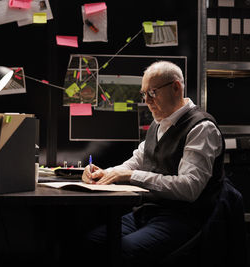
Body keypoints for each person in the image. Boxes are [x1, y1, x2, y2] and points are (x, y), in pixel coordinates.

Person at [81, 61, 225, 266]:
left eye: (153, 93)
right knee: (92, 242)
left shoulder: (201, 128)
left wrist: (131, 177)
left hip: (182, 218)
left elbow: (189, 187)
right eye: (144, 94)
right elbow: (137, 161)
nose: (147, 101)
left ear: (176, 87)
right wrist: (104, 173)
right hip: (148, 212)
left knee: (122, 252)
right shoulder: (158, 124)